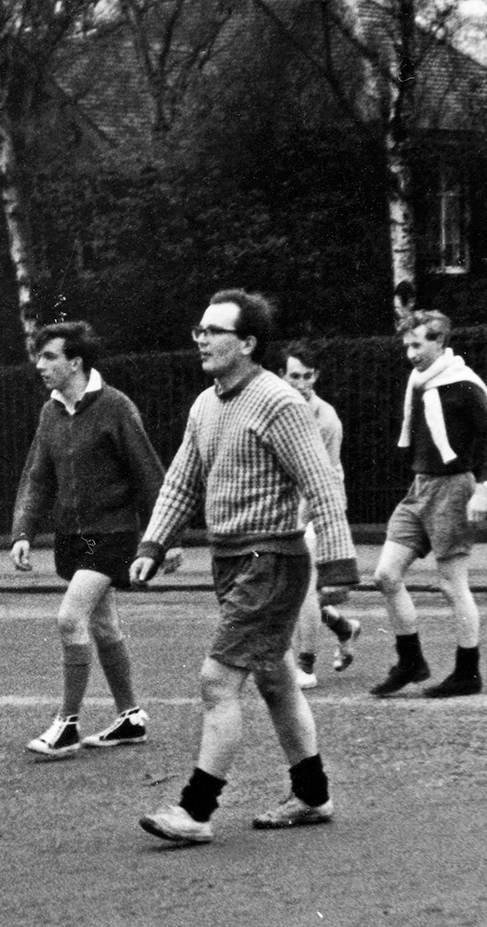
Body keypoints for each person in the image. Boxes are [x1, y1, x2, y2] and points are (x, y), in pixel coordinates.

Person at [131, 289, 359, 845]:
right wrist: (152, 545)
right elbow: (182, 481)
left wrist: (337, 565)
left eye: (215, 331)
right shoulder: (205, 405)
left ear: (248, 343)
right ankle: (312, 794)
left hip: (272, 559)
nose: (202, 339)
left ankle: (196, 810)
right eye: (199, 330)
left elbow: (320, 484)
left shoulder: (279, 402)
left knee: (217, 680)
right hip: (231, 559)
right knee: (276, 679)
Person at [11, 321, 180, 759]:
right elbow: (38, 476)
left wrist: (167, 536)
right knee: (103, 625)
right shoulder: (50, 412)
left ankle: (67, 724)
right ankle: (130, 717)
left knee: (71, 619)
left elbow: (148, 472)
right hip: (74, 538)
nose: (40, 364)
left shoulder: (115, 406)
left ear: (76, 362)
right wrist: (23, 532)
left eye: (49, 356)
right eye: (39, 356)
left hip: (113, 535)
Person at [368, 310, 487, 699]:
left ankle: (468, 672)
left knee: (452, 585)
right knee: (386, 575)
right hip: (421, 488)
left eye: (418, 344)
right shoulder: (419, 383)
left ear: (440, 342)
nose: (411, 353)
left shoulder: (464, 385)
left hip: (454, 489)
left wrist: (484, 489)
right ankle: (411, 662)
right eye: (407, 346)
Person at [279, 341, 364, 688]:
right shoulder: (280, 409)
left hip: (320, 507)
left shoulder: (327, 419)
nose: (301, 384)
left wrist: (299, 522)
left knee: (304, 592)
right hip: (289, 505)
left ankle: (307, 667)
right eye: (294, 376)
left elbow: (322, 481)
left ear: (316, 376)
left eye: (308, 376)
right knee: (292, 591)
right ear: (281, 375)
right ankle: (343, 627)